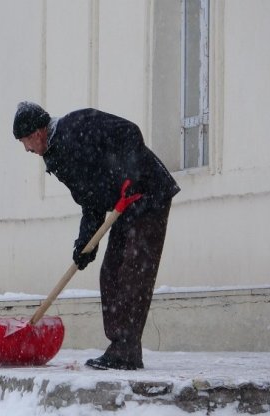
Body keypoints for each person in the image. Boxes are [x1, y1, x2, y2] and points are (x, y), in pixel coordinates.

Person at [12, 101, 180, 370]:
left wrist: (130, 176)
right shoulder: (56, 158)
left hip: (148, 193)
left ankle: (126, 351)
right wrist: (84, 245)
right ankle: (120, 347)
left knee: (133, 271)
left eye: (25, 142)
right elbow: (91, 202)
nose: (27, 149)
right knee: (111, 272)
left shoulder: (78, 125)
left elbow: (129, 132)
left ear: (38, 132)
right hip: (124, 205)